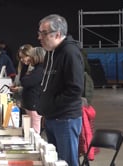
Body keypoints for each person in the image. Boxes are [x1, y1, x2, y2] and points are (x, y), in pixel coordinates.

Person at [37, 14, 84, 166]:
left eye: (43, 33)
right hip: (52, 118)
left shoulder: (70, 53)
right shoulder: (51, 52)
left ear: (57, 34)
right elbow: (47, 85)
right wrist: (46, 111)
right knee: (55, 162)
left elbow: (75, 89)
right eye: (39, 33)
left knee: (67, 162)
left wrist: (52, 106)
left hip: (65, 119)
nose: (39, 37)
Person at [10, 45, 45, 134]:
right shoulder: (34, 69)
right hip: (29, 104)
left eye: (23, 57)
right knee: (29, 131)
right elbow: (24, 80)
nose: (22, 60)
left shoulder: (39, 69)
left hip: (33, 105)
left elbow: (25, 82)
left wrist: (24, 81)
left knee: (34, 133)